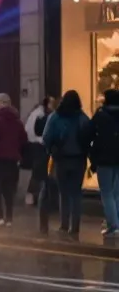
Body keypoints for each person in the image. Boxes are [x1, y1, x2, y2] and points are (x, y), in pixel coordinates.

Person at [43, 89, 92, 238]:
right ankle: (75, 226)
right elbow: (89, 135)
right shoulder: (82, 118)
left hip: (61, 159)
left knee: (63, 193)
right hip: (78, 159)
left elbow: (46, 136)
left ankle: (64, 225)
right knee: (76, 193)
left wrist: (51, 150)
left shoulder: (55, 117)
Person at [0, 93, 27, 227]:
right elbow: (23, 139)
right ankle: (9, 218)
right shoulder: (17, 120)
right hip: (12, 160)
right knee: (9, 189)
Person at [88, 89, 119, 236]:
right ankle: (116, 221)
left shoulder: (100, 115)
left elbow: (89, 132)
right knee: (117, 193)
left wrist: (92, 154)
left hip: (104, 159)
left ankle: (113, 225)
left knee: (106, 193)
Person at [24, 97, 54, 205]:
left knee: (39, 172)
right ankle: (32, 195)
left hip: (36, 145)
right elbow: (35, 131)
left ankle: (33, 196)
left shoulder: (37, 113)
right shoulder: (40, 115)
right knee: (39, 172)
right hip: (38, 146)